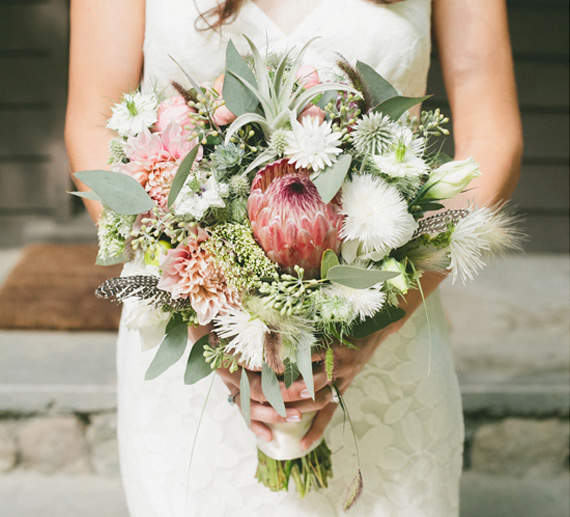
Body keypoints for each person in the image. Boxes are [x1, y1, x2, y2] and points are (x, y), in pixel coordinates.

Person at [65, 0, 522, 515]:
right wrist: (199, 298)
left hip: (386, 326)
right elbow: (91, 124)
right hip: (193, 337)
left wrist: (380, 320)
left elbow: (492, 132)